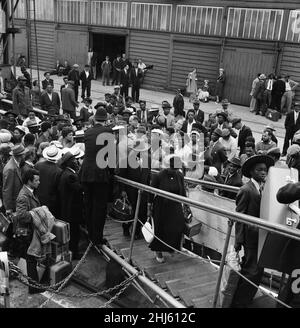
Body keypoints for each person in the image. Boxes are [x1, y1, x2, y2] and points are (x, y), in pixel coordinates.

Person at [231, 155, 274, 308]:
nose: (263, 172)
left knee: (255, 270)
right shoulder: (246, 189)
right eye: (259, 170)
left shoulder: (262, 188)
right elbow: (240, 216)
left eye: (265, 170)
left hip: (260, 236)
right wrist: (238, 241)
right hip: (251, 238)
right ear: (251, 172)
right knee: (252, 271)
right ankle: (239, 302)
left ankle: (245, 298)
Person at [80, 107, 113, 245]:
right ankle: (97, 238)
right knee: (99, 207)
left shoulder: (87, 132)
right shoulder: (108, 132)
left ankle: (90, 234)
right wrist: (111, 172)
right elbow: (111, 157)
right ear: (105, 120)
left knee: (89, 205)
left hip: (86, 174)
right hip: (100, 175)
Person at [149, 155, 186, 263]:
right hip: (162, 206)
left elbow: (182, 190)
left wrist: (186, 204)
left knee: (177, 227)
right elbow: (150, 192)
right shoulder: (158, 176)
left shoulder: (179, 175)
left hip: (175, 205)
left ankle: (171, 247)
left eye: (176, 169)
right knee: (161, 228)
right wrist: (149, 206)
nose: (174, 171)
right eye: (172, 168)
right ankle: (158, 251)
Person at [15, 168, 44, 294]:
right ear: (29, 181)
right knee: (31, 258)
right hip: (27, 232)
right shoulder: (23, 196)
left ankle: (34, 284)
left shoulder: (30, 191)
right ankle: (34, 287)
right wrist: (35, 213)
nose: (39, 182)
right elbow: (22, 216)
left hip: (30, 231)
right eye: (36, 180)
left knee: (30, 257)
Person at [118, 139, 151, 239]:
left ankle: (136, 231)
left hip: (144, 190)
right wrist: (123, 190)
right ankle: (126, 227)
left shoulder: (147, 159)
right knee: (131, 212)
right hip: (131, 190)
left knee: (142, 211)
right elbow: (121, 176)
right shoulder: (125, 160)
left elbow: (148, 174)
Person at [58, 151, 83, 259]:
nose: (76, 161)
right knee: (74, 233)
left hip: (68, 209)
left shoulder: (66, 173)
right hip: (72, 210)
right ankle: (75, 253)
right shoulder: (70, 176)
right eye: (73, 160)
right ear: (69, 162)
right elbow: (79, 188)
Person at [35, 145, 62, 219]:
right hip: (52, 203)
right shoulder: (58, 171)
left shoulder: (38, 165)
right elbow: (58, 189)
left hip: (38, 200)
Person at [2, 144, 26, 215]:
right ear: (21, 155)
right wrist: (8, 208)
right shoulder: (10, 169)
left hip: (17, 202)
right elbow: (7, 190)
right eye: (23, 154)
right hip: (13, 205)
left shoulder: (15, 164)